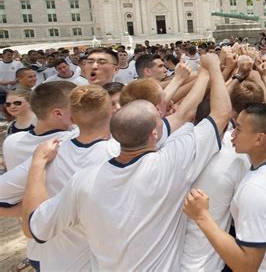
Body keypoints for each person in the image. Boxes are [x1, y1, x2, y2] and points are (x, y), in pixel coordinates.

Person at [22, 53, 231, 271]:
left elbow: (34, 227)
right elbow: (220, 114)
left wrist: (37, 166)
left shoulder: (83, 181)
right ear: (154, 134)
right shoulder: (171, 163)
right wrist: (213, 68)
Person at [1, 85, 118, 271]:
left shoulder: (25, 146)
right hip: (98, 256)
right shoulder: (112, 150)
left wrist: (33, 210)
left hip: (50, 253)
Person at [184, 102, 266, 271]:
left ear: (259, 138)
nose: (232, 135)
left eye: (238, 129)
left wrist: (201, 216)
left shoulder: (255, 191)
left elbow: (247, 266)